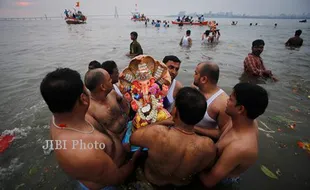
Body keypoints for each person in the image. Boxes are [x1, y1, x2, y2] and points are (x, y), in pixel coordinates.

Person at [40, 68, 141, 190]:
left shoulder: (60, 116)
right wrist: (135, 158)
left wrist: (119, 142)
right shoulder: (84, 153)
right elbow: (117, 178)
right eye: (86, 90)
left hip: (101, 167)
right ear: (83, 98)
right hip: (106, 184)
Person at [130, 87, 216, 187]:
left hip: (151, 183)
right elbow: (207, 166)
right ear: (200, 117)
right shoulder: (208, 146)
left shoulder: (158, 133)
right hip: (181, 186)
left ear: (175, 111)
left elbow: (133, 138)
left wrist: (163, 122)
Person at [200, 83, 268, 187]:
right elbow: (221, 134)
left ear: (240, 109)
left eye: (231, 99)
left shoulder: (239, 147)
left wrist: (191, 164)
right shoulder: (244, 120)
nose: (226, 100)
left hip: (220, 182)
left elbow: (208, 182)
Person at [84, 68, 130, 138]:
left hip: (129, 127)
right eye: (109, 80)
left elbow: (125, 105)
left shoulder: (112, 93)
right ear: (103, 87)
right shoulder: (90, 110)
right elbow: (98, 135)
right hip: (117, 141)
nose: (112, 80)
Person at [193, 62, 231, 140]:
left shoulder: (222, 103)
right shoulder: (194, 89)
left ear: (203, 79)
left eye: (196, 73)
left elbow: (223, 134)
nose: (193, 76)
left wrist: (193, 128)